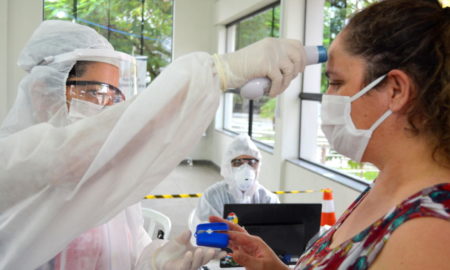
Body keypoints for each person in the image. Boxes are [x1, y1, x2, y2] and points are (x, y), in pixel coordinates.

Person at [0, 20, 307, 270]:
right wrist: (216, 73)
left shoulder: (108, 176)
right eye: (96, 92)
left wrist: (156, 260)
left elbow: (131, 247)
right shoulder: (13, 163)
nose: (107, 110)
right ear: (42, 91)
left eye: (114, 98)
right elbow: (66, 156)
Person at [210, 0, 450, 269]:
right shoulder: (387, 185)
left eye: (336, 82)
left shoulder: (428, 233)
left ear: (395, 90)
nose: (327, 97)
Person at [196, 134, 279, 222]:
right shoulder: (212, 197)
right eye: (238, 162)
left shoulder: (268, 200)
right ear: (227, 167)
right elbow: (207, 232)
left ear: (258, 167)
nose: (246, 169)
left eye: (252, 162)